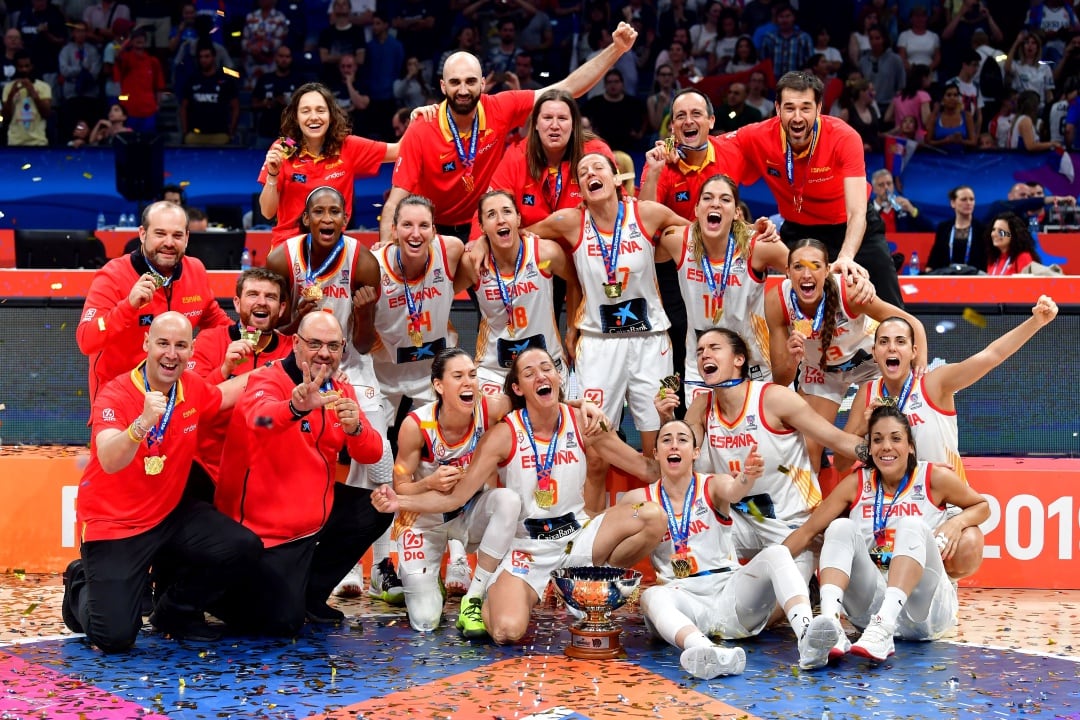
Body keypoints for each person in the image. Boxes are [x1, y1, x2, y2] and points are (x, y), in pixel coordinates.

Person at [372, 347, 667, 645]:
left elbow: (645, 468)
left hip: (576, 538)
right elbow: (455, 499)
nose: (541, 375)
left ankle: (584, 581)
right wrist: (401, 502)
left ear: (557, 377)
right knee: (505, 632)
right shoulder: (503, 432)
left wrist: (670, 428)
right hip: (526, 548)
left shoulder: (582, 421)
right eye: (529, 373)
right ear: (517, 388)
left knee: (652, 517)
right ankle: (491, 592)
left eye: (547, 368)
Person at [61, 312, 261, 652]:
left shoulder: (192, 388)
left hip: (168, 514)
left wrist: (288, 367)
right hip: (115, 524)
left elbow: (227, 393)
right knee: (114, 638)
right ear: (146, 344)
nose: (171, 354)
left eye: (181, 346)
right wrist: (140, 424)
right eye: (163, 344)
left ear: (191, 351)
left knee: (242, 547)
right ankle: (80, 583)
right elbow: (109, 459)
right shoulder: (116, 392)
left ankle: (173, 612)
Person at [592, 419, 844, 675]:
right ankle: (705, 651)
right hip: (683, 598)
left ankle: (807, 635)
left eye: (682, 439)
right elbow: (603, 530)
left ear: (695, 451)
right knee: (651, 596)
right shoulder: (639, 499)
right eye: (666, 440)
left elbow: (735, 490)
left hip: (729, 593)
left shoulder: (712, 485)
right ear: (655, 453)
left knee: (777, 553)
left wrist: (747, 477)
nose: (674, 445)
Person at [836, 296, 1058, 577]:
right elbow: (841, 465)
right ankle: (890, 584)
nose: (892, 347)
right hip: (888, 506)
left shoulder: (934, 384)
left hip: (940, 505)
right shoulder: (866, 395)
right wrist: (862, 430)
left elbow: (991, 356)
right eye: (884, 342)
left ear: (914, 351)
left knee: (969, 545)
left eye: (900, 341)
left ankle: (937, 582)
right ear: (875, 350)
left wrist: (1035, 322)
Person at [524, 152, 688, 499]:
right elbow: (519, 236)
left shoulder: (646, 213)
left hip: (651, 341)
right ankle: (591, 537)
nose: (590, 174)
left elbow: (700, 234)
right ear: (581, 190)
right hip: (598, 344)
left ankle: (663, 528)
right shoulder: (570, 221)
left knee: (657, 444)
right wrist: (479, 244)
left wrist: (752, 232)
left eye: (598, 168)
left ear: (616, 179)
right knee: (594, 452)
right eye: (583, 173)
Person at [381, 21, 641, 241]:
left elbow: (566, 88)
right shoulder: (423, 126)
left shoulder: (500, 107)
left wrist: (616, 50)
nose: (463, 90)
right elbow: (394, 202)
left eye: (471, 81)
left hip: (481, 226)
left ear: (483, 83)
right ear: (442, 86)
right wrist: (384, 253)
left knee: (495, 300)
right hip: (435, 229)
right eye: (455, 82)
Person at [264, 186, 400, 603]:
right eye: (318, 211)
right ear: (305, 218)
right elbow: (274, 330)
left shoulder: (361, 262)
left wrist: (361, 313)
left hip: (349, 366)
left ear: (345, 218)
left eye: (334, 212)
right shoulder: (280, 258)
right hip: (297, 363)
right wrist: (296, 321)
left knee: (378, 450)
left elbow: (361, 343)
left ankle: (380, 563)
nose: (326, 218)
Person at [214, 312, 387, 631]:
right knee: (281, 623)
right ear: (295, 344)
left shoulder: (341, 390)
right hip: (266, 531)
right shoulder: (267, 380)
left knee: (377, 507)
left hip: (314, 518)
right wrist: (295, 409)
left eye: (334, 346)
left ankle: (310, 594)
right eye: (315, 344)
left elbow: (373, 453)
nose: (324, 353)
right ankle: (215, 593)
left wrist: (357, 427)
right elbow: (259, 421)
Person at [658, 328, 872, 580]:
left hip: (790, 524)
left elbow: (836, 439)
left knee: (772, 609)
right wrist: (667, 419)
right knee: (686, 554)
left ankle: (806, 584)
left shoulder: (774, 398)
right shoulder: (700, 406)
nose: (705, 355)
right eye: (700, 351)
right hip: (738, 522)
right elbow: (681, 462)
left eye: (714, 348)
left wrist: (886, 456)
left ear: (739, 359)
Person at [783, 406, 990, 662]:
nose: (886, 446)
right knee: (838, 527)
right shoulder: (857, 483)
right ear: (869, 449)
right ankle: (831, 625)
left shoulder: (933, 477)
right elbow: (807, 531)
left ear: (910, 446)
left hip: (926, 610)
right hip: (868, 612)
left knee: (911, 525)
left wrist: (957, 522)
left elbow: (982, 506)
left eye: (895, 438)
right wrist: (772, 567)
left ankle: (885, 625)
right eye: (877, 439)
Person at [711, 71, 905, 307]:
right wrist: (674, 146)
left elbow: (857, 212)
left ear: (819, 108)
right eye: (789, 108)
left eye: (805, 108)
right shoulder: (757, 135)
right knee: (799, 315)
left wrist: (845, 256)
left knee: (890, 307)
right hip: (801, 233)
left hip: (853, 230)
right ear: (777, 107)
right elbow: (708, 146)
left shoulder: (844, 137)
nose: (797, 117)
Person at [765, 239, 928, 473]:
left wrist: (919, 369)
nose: (807, 274)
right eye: (799, 267)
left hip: (868, 366)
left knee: (858, 448)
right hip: (821, 371)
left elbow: (910, 323)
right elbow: (780, 380)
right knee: (807, 448)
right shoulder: (776, 301)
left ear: (827, 270)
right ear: (787, 272)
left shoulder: (850, 291)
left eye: (815, 265)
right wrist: (792, 361)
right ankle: (806, 507)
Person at [390, 349, 521, 636]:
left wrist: (579, 404)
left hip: (468, 513)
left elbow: (538, 404)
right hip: (422, 519)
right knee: (425, 622)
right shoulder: (415, 425)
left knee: (508, 501)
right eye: (458, 376)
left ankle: (473, 597)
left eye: (473, 375)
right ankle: (427, 575)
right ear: (438, 385)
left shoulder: (492, 408)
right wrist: (430, 482)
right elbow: (401, 486)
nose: (469, 383)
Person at [76, 201, 232, 404]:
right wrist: (128, 306)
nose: (169, 242)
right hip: (119, 401)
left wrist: (256, 337)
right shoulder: (112, 276)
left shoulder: (195, 270)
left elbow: (219, 325)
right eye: (160, 234)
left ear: (186, 238)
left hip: (176, 401)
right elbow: (86, 341)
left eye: (177, 235)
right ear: (142, 234)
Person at [655, 174, 788, 387]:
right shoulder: (676, 241)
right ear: (697, 209)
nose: (715, 203)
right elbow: (649, 257)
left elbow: (802, 269)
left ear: (737, 213)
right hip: (701, 365)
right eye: (707, 198)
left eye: (725, 199)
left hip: (752, 363)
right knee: (698, 421)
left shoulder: (759, 247)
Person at [459, 191, 581, 395]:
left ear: (518, 218)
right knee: (489, 417)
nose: (500, 220)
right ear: (481, 227)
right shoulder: (472, 264)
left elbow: (577, 281)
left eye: (506, 212)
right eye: (491, 215)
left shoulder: (545, 254)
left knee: (556, 421)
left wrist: (572, 327)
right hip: (494, 370)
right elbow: (439, 295)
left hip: (547, 364)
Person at [188, 268, 294, 495]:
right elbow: (190, 404)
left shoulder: (292, 350)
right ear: (237, 303)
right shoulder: (210, 340)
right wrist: (224, 370)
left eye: (271, 297)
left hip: (268, 470)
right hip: (209, 469)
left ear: (282, 308)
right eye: (253, 294)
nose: (262, 302)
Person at [259, 82, 398, 248]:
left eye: (320, 110)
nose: (313, 117)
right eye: (305, 111)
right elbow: (267, 212)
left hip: (332, 248)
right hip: (288, 249)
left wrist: (420, 118)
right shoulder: (283, 148)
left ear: (331, 115)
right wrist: (272, 175)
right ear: (296, 117)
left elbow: (399, 151)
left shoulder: (348, 146)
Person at [476, 88, 613, 236]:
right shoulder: (517, 155)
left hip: (589, 243)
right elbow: (492, 202)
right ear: (535, 124)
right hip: (537, 250)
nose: (554, 125)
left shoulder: (596, 151)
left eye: (562, 118)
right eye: (547, 118)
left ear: (573, 124)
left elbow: (617, 202)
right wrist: (480, 240)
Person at [181, 39, 239, 145]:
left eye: (207, 56)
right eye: (201, 57)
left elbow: (235, 107)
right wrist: (185, 132)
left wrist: (232, 131)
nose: (203, 60)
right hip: (195, 135)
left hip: (220, 135)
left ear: (214, 57)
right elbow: (184, 107)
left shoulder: (226, 80)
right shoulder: (192, 80)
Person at [925, 185, 985, 272]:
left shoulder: (983, 229)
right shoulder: (943, 228)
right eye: (964, 199)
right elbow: (933, 261)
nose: (968, 203)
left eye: (971, 199)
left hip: (975, 279)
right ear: (953, 203)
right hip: (946, 279)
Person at [251, 44, 300, 149]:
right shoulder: (265, 79)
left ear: (291, 59)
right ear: (275, 58)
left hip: (288, 134)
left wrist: (288, 104)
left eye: (287, 57)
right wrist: (266, 103)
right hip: (265, 132)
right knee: (261, 162)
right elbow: (253, 104)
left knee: (286, 162)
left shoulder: (298, 81)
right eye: (281, 56)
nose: (284, 60)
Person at [1, 52, 51, 146]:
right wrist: (11, 94)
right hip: (14, 142)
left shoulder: (44, 87)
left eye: (27, 66)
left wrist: (33, 93)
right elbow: (4, 117)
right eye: (20, 66)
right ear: (16, 67)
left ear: (32, 66)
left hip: (38, 142)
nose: (24, 69)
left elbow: (47, 113)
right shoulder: (8, 87)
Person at [870, 169, 932, 234]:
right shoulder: (866, 210)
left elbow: (930, 230)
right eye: (881, 185)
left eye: (889, 183)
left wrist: (912, 210)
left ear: (893, 186)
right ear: (874, 189)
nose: (886, 187)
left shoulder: (905, 206)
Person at [925, 81, 977, 152]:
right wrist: (945, 141)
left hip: (961, 160)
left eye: (955, 95)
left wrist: (960, 141)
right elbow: (928, 142)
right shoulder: (935, 117)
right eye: (949, 95)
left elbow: (974, 142)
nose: (952, 98)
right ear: (943, 100)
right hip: (939, 160)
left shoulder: (967, 116)